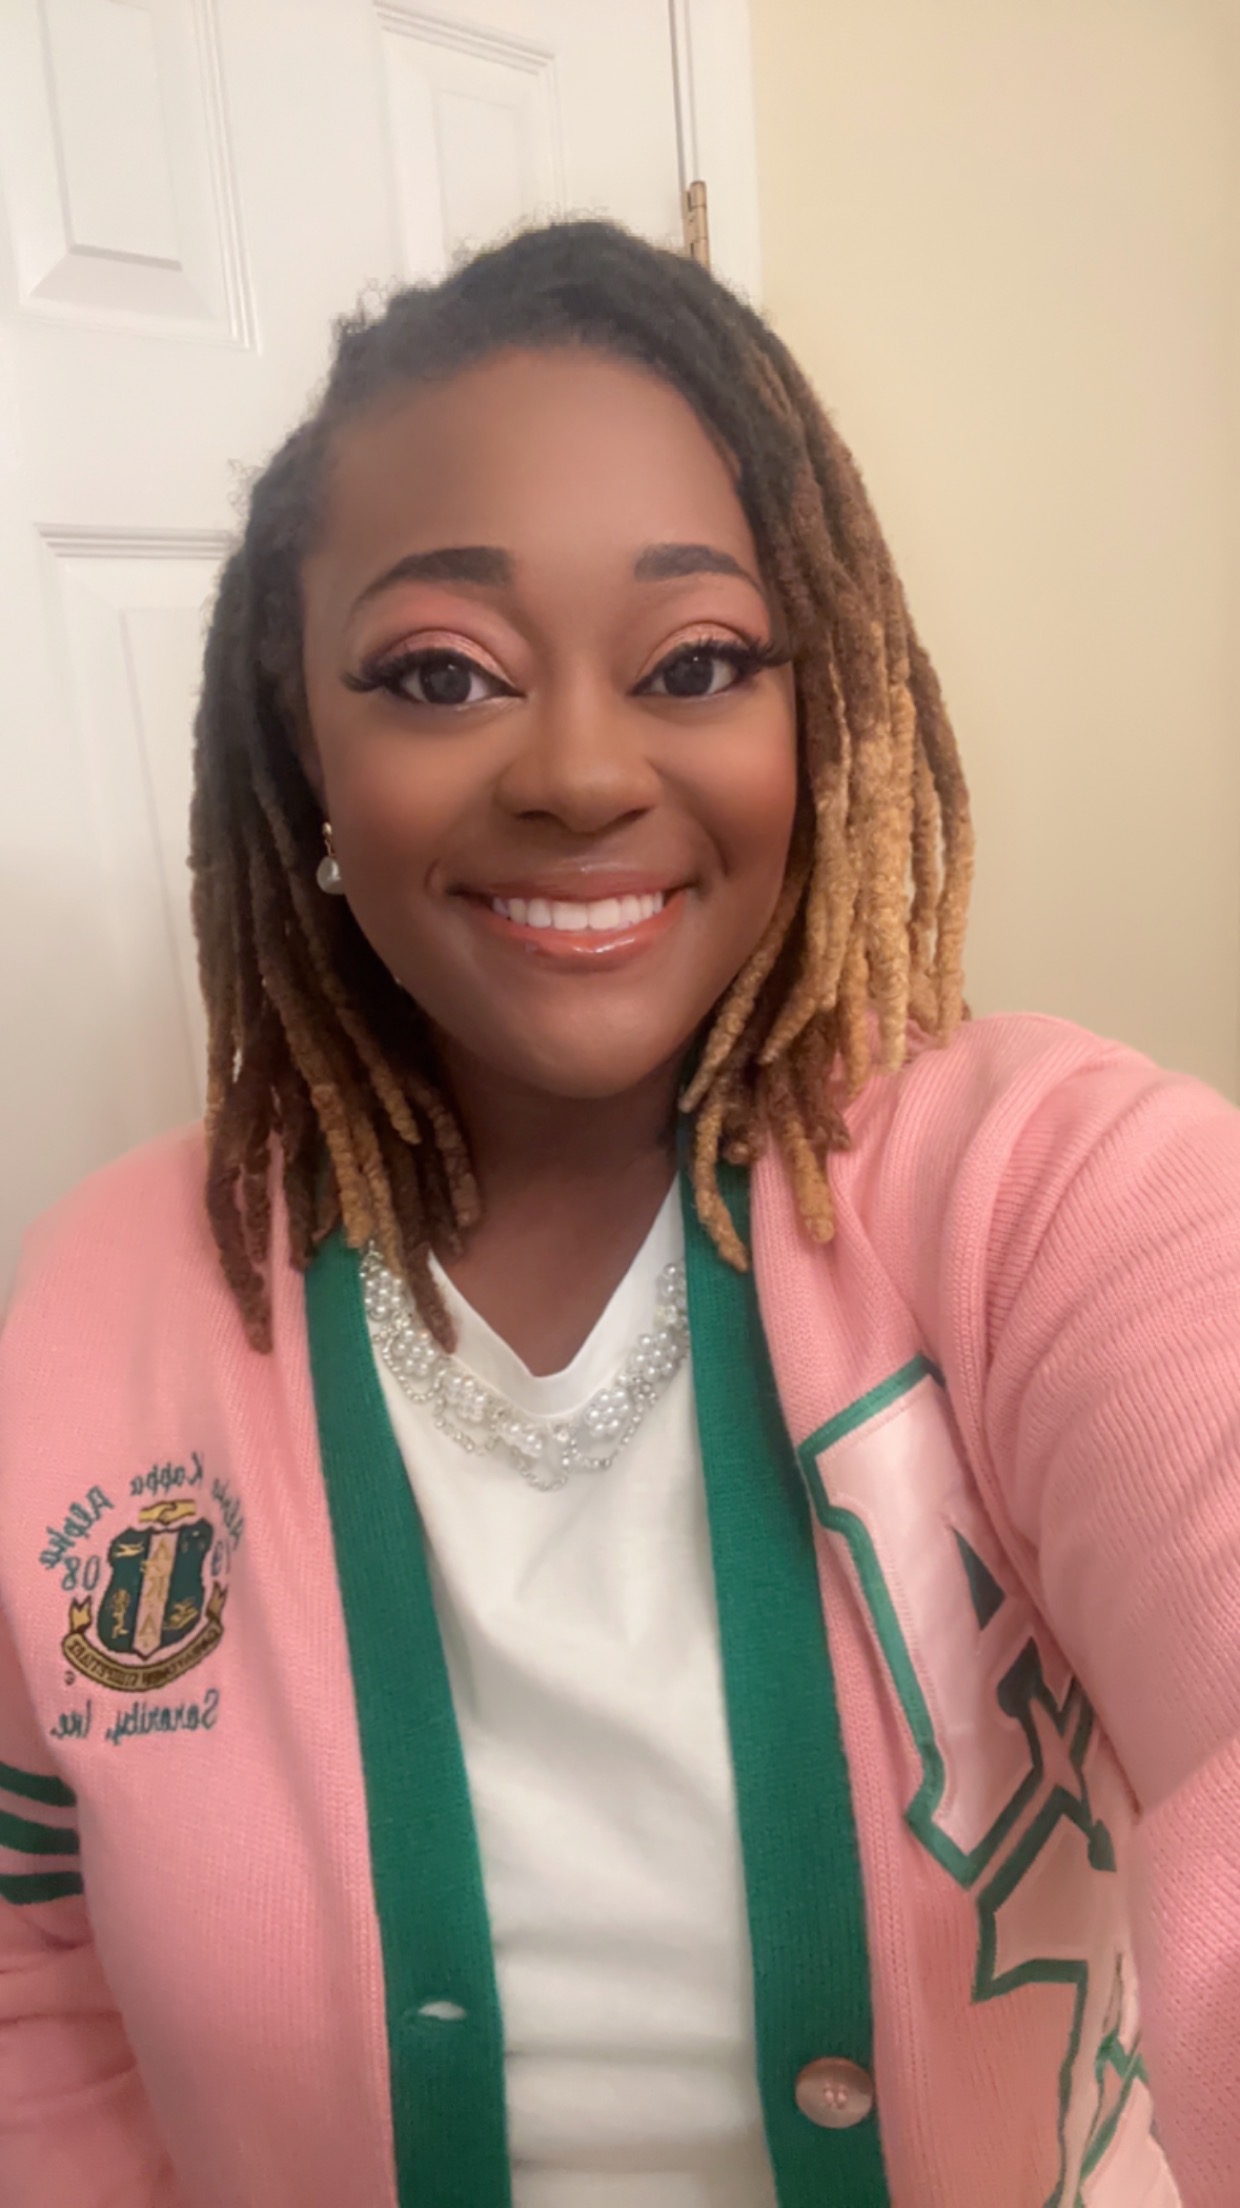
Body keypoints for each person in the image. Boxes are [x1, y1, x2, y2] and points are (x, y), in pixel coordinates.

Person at [0, 217, 1234, 2208]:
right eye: (441, 674)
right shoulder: (94, 1315)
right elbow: (33, 1966)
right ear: (303, 739)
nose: (580, 772)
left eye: (696, 663)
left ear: (816, 710)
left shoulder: (1054, 1199)